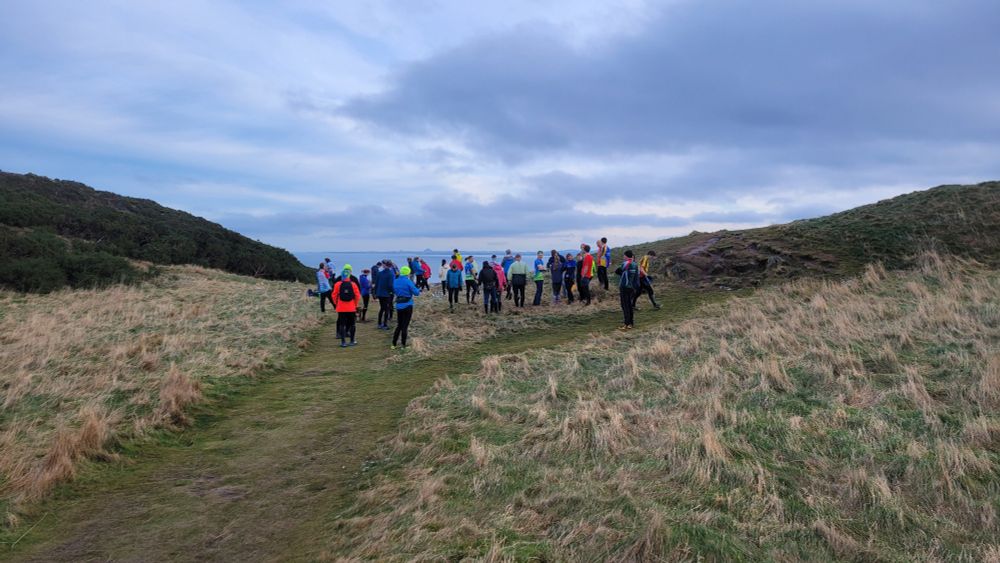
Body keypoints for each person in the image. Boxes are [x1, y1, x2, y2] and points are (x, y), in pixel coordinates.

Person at [332, 268, 362, 347]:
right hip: (351, 307)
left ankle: (343, 342)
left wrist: (336, 303)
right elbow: (357, 296)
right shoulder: (353, 284)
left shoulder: (337, 284)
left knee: (342, 325)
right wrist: (355, 304)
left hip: (341, 308)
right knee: (352, 324)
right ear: (349, 276)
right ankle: (352, 341)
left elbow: (334, 295)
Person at [392, 266, 420, 349]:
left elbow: (394, 290)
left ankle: (393, 344)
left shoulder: (395, 281)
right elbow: (416, 293)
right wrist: (417, 289)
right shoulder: (408, 282)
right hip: (407, 305)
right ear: (408, 273)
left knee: (399, 325)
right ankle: (403, 345)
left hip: (399, 305)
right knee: (405, 326)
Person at [618, 250, 640, 330]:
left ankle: (626, 323)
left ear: (627, 256)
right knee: (629, 305)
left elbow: (618, 271)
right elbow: (636, 277)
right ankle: (631, 323)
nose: (623, 257)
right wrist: (636, 287)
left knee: (624, 305)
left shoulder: (625, 263)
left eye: (624, 256)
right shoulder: (635, 264)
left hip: (624, 287)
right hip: (632, 288)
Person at [374, 261, 396, 329]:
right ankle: (385, 324)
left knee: (382, 308)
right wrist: (392, 292)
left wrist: (375, 292)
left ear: (385, 265)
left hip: (380, 293)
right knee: (386, 309)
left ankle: (379, 323)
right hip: (386, 294)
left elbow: (376, 283)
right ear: (390, 266)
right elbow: (390, 285)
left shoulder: (380, 273)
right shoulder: (391, 274)